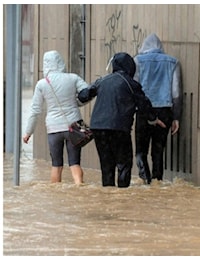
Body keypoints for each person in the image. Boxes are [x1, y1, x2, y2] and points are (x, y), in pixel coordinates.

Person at [78, 52, 163, 188]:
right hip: (119, 129)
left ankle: (109, 196)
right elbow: (144, 104)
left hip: (98, 129)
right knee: (124, 164)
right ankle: (122, 195)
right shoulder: (131, 84)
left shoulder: (102, 81)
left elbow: (83, 95)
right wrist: (153, 119)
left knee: (107, 165)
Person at [23, 50, 89, 185]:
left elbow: (35, 110)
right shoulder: (73, 78)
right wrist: (77, 103)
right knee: (74, 163)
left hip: (53, 129)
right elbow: (88, 93)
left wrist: (28, 132)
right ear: (61, 62)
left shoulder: (42, 84)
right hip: (73, 127)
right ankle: (80, 188)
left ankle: (55, 192)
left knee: (56, 165)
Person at [133, 33, 183, 184]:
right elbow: (176, 93)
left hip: (143, 111)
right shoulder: (173, 62)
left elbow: (134, 87)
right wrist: (176, 117)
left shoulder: (137, 61)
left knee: (141, 151)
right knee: (158, 150)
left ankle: (146, 180)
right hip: (165, 111)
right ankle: (157, 181)